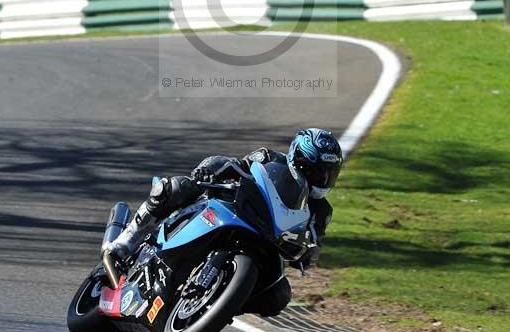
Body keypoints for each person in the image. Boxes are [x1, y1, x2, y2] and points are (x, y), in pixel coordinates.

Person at [107, 128, 343, 316]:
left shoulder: (322, 211)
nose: (321, 179)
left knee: (278, 295)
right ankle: (128, 239)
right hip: (232, 208)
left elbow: (313, 239)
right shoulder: (271, 159)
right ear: (298, 159)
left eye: (328, 172)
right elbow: (235, 164)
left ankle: (221, 301)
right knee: (176, 187)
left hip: (267, 241)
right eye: (315, 171)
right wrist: (210, 169)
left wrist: (307, 254)